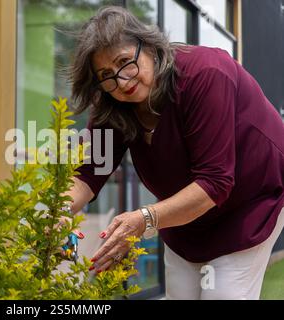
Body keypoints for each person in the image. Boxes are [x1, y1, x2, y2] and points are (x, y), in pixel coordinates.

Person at [63, 6, 284, 300]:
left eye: (126, 62)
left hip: (248, 205)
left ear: (150, 48)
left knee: (223, 295)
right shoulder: (112, 106)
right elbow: (87, 174)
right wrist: (59, 212)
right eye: (106, 75)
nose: (122, 81)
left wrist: (143, 218)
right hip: (184, 215)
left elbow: (215, 182)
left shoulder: (205, 74)